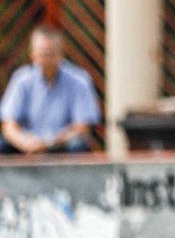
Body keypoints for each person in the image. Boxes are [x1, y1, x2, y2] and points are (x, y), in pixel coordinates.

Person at [0, 24, 101, 155]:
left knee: (77, 145)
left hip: (61, 144)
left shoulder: (79, 80)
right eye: (42, 53)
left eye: (50, 53)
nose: (46, 58)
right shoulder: (21, 79)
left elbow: (82, 127)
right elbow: (8, 124)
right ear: (32, 54)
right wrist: (24, 142)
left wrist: (49, 143)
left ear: (61, 53)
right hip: (27, 145)